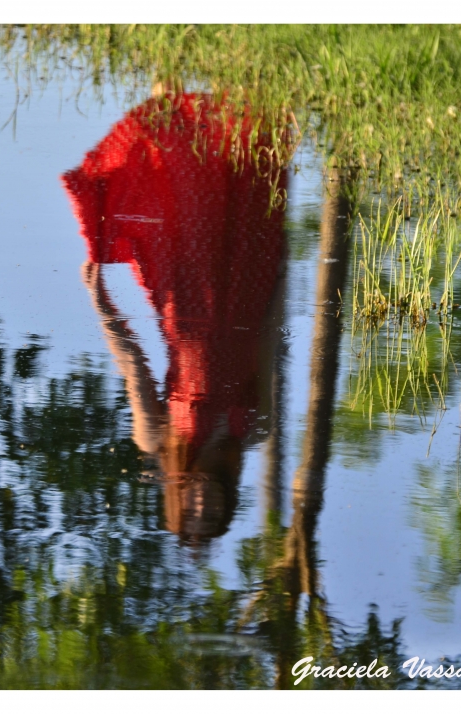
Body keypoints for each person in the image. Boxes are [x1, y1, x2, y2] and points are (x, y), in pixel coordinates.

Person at [63, 91, 288, 542]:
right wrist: (278, 278)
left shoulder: (157, 442)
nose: (205, 502)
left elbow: (134, 366)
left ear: (178, 503)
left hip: (184, 304)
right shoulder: (254, 433)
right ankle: (249, 88)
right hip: (247, 287)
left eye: (194, 510)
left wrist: (103, 305)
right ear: (228, 502)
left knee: (190, 196)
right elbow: (270, 348)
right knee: (245, 183)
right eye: (212, 511)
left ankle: (166, 107)